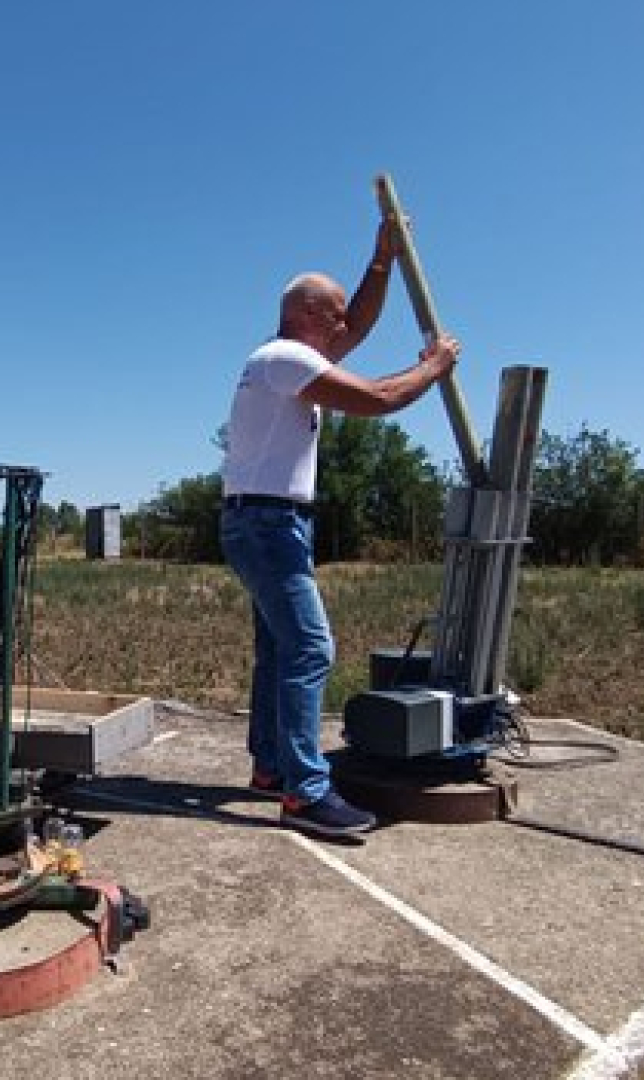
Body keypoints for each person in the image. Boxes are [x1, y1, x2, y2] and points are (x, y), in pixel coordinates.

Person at [218, 212, 461, 839]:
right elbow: (378, 399)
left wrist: (381, 261)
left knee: (279, 650)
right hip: (267, 523)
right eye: (334, 315)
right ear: (306, 315)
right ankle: (305, 793)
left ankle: (273, 768)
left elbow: (361, 325)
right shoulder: (283, 358)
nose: (343, 325)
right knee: (310, 647)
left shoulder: (290, 357)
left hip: (268, 521)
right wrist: (434, 366)